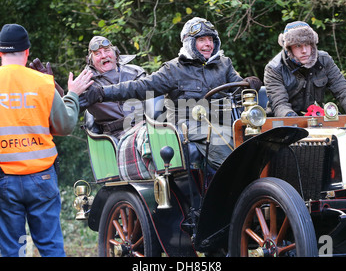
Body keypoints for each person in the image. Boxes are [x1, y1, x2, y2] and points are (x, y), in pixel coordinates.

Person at [0, 24, 93, 257]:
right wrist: (72, 95)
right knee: (51, 246)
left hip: (2, 180)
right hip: (42, 177)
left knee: (14, 250)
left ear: (0, 52)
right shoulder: (43, 83)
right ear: (27, 52)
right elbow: (65, 125)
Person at [79, 17, 262, 169]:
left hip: (225, 119)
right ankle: (235, 198)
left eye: (210, 39)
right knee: (222, 144)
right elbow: (140, 87)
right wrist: (102, 93)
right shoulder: (173, 69)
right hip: (189, 124)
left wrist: (248, 85)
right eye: (201, 40)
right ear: (190, 43)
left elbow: (239, 94)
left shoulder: (224, 64)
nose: (208, 44)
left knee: (259, 136)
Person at [263, 21, 346, 123]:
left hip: (317, 119)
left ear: (313, 45)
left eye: (307, 44)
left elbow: (343, 90)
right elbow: (279, 103)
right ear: (288, 48)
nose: (304, 50)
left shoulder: (324, 60)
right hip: (282, 124)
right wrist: (290, 117)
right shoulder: (274, 68)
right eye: (298, 46)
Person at [79, 36, 146, 138]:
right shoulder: (86, 83)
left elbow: (155, 100)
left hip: (146, 126)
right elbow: (67, 108)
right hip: (114, 136)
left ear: (116, 53)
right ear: (90, 60)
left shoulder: (136, 72)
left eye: (107, 50)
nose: (104, 56)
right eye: (97, 54)